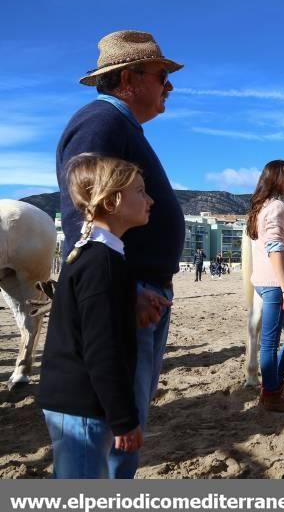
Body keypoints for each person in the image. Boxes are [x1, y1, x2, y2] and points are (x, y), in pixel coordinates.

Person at [55, 30, 182, 478]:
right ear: (129, 78)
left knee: (122, 428)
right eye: (162, 75)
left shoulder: (118, 125)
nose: (169, 85)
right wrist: (122, 292)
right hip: (130, 296)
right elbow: (82, 210)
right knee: (115, 432)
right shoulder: (101, 123)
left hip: (140, 292)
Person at [39, 154, 153, 478]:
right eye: (141, 192)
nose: (150, 199)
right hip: (82, 406)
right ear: (114, 200)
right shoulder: (101, 264)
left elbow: (95, 324)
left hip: (78, 402)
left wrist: (132, 308)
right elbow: (101, 350)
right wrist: (124, 420)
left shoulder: (99, 255)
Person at [246, 160, 284, 412]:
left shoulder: (266, 206)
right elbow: (274, 249)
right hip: (274, 287)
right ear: (275, 179)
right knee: (270, 344)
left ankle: (273, 384)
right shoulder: (277, 208)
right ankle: (271, 395)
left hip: (268, 284)